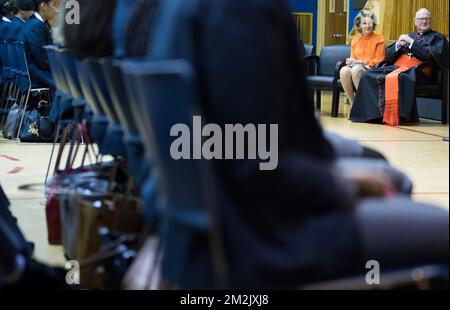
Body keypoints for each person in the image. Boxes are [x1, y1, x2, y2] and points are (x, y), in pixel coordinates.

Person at [145, 0, 448, 289]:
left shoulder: (177, 10)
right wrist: (338, 183)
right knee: (439, 227)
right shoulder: (239, 11)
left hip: (209, 225)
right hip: (263, 237)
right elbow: (254, 162)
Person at [350, 8, 449, 126]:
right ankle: (373, 115)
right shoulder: (410, 35)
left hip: (419, 71)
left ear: (430, 20)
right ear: (415, 22)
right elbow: (388, 55)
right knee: (367, 75)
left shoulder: (438, 37)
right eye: (421, 19)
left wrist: (411, 42)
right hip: (398, 67)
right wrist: (397, 45)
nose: (424, 21)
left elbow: (429, 55)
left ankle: (400, 116)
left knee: (401, 78)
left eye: (427, 18)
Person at [340, 10, 384, 111]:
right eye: (364, 23)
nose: (368, 26)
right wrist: (350, 61)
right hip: (357, 67)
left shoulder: (379, 39)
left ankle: (363, 103)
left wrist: (360, 62)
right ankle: (353, 104)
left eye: (370, 23)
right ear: (359, 25)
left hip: (372, 70)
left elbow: (379, 60)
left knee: (356, 70)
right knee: (344, 70)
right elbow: (353, 58)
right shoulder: (355, 40)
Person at [21, 0, 59, 90]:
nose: (56, 9)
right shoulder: (36, 25)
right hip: (36, 74)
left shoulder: (33, 22)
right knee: (69, 84)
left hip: (34, 71)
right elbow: (42, 60)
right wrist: (60, 67)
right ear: (43, 6)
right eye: (54, 5)